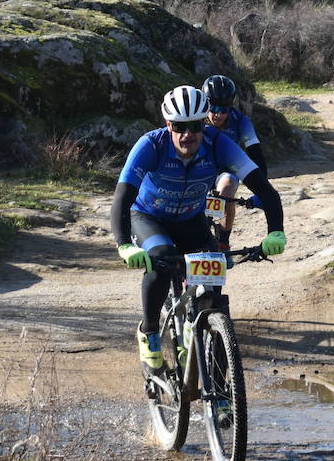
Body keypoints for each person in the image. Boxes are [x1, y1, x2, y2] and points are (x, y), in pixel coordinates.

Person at [111, 84, 286, 372]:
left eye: (195, 126)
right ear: (168, 124)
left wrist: (275, 231)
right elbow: (122, 196)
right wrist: (124, 244)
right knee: (161, 260)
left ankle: (204, 338)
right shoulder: (151, 145)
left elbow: (264, 189)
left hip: (190, 219)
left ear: (204, 123)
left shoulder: (217, 144)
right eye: (179, 126)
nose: (187, 134)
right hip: (148, 217)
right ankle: (150, 333)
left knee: (213, 274)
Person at [201, 74, 266, 250]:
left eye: (224, 110)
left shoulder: (240, 121)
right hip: (198, 168)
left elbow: (256, 153)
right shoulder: (195, 118)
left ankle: (224, 240)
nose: (218, 114)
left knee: (227, 188)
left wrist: (263, 190)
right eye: (213, 108)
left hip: (225, 170)